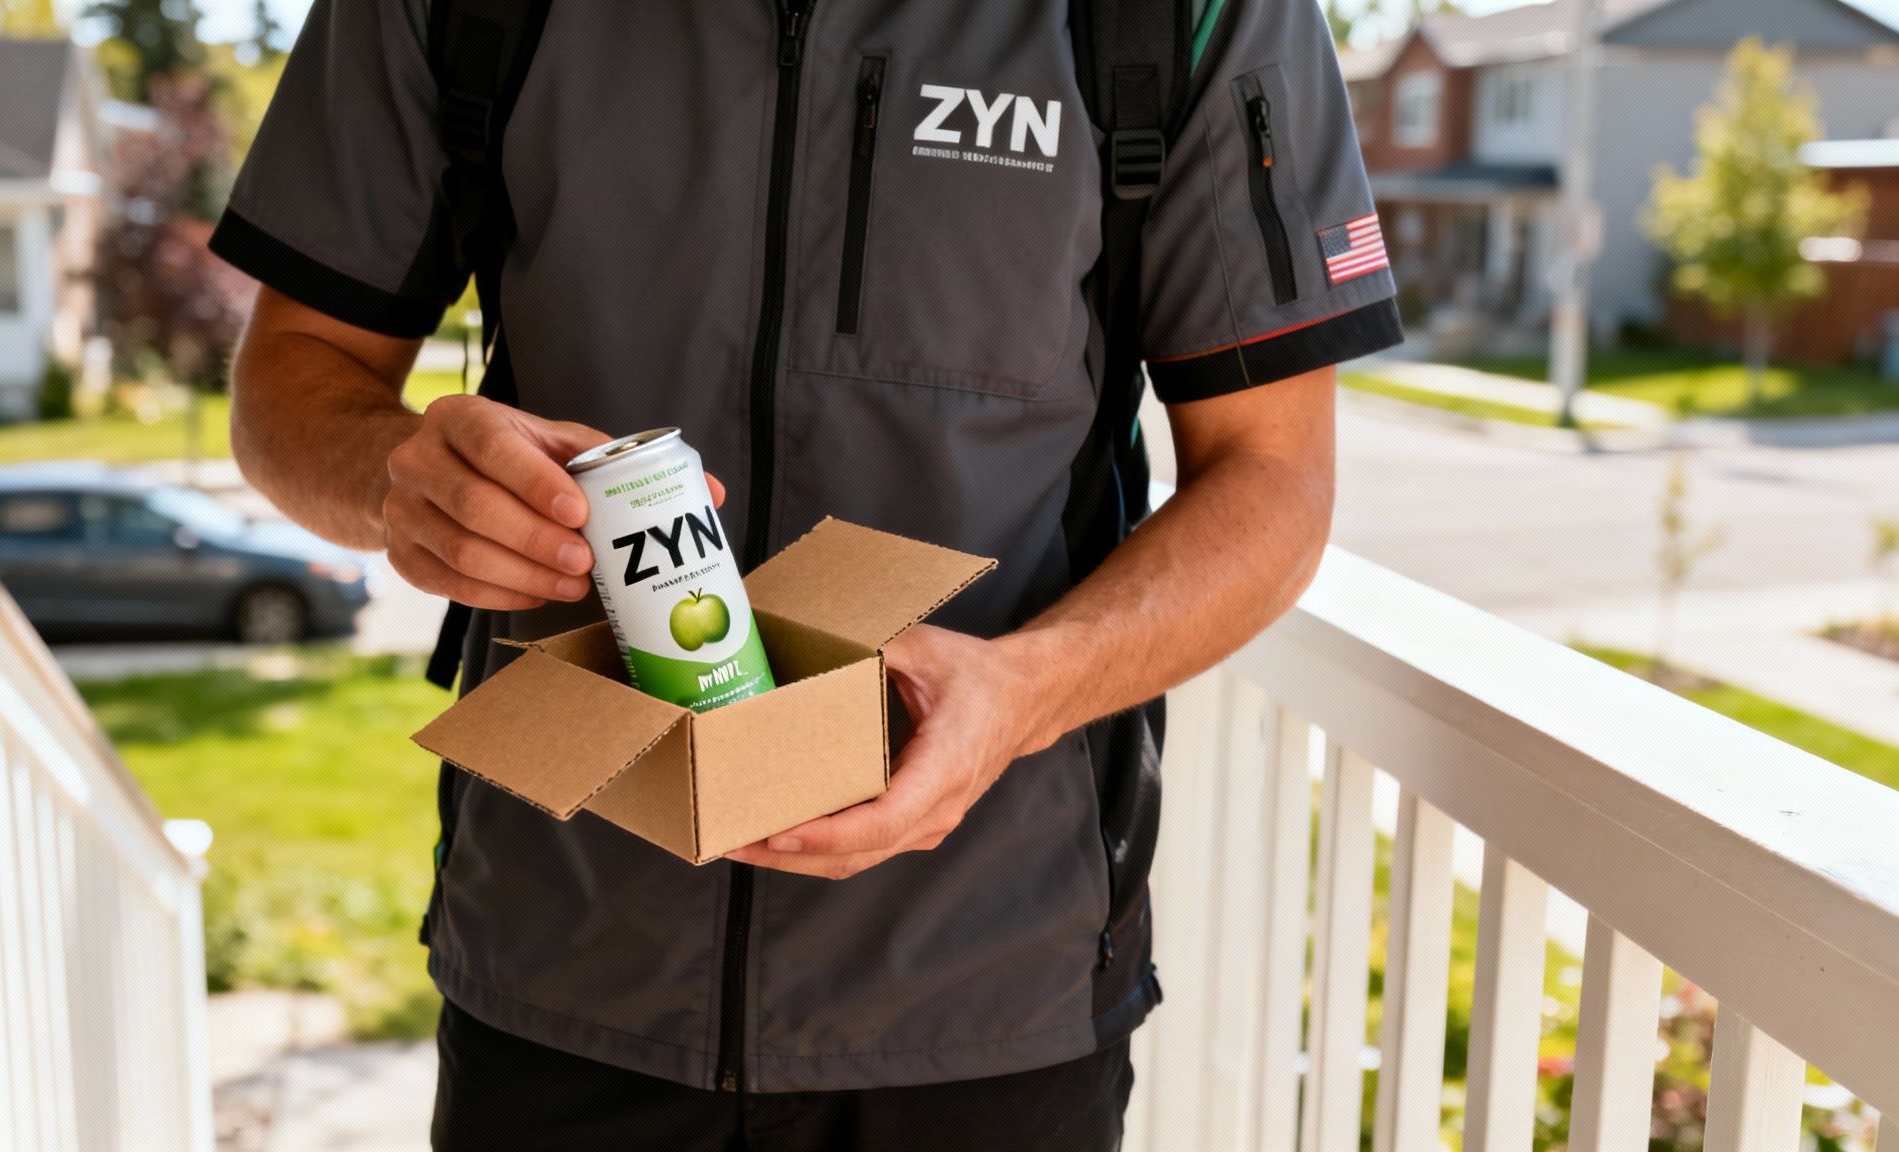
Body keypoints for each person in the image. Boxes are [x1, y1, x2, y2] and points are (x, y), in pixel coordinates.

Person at [213, 0, 1401, 1147]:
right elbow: (293, 375)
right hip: (563, 960)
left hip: (983, 996)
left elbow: (1273, 480)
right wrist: (391, 476)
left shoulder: (1188, 11)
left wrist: (1025, 690)